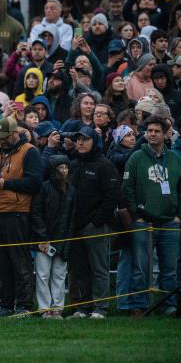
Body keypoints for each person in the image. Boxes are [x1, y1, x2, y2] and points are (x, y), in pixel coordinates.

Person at [122, 116, 181, 317]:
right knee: (141, 268)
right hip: (144, 222)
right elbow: (127, 188)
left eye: (157, 131)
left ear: (166, 134)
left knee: (170, 268)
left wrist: (177, 215)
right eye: (149, 130)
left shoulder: (174, 158)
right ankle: (138, 306)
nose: (152, 134)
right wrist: (136, 215)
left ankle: (169, 307)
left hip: (169, 223)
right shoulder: (136, 158)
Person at [0, 117, 42, 316]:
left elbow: (34, 183)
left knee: (20, 261)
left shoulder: (30, 152)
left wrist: (6, 184)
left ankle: (25, 305)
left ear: (15, 134)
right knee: (0, 263)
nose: (0, 141)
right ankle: (6, 304)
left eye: (4, 138)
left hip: (17, 213)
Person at [68, 126, 120, 319]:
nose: (80, 143)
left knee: (99, 269)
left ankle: (101, 308)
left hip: (96, 226)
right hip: (76, 226)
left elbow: (112, 195)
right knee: (80, 269)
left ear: (94, 142)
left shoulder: (105, 165)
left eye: (85, 139)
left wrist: (97, 221)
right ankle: (83, 307)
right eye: (78, 139)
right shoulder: (73, 165)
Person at [30, 155, 74, 319]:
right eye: (60, 168)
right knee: (42, 274)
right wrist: (42, 237)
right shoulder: (43, 188)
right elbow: (36, 213)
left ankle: (57, 308)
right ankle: (44, 309)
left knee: (59, 273)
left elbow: (71, 216)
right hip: (44, 240)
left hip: (64, 239)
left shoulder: (71, 190)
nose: (64, 171)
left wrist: (67, 240)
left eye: (66, 167)